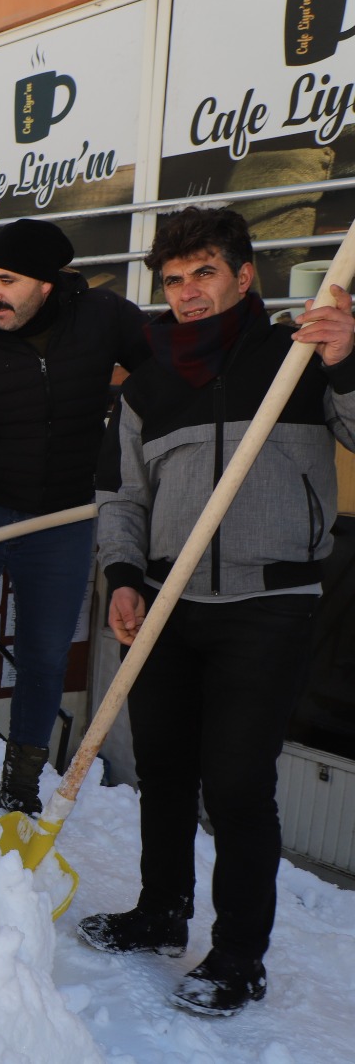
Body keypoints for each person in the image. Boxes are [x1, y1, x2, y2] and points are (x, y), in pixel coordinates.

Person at [80, 207, 355, 1017]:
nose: (189, 292)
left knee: (236, 784)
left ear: (244, 276)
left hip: (269, 601)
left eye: (205, 272)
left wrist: (345, 360)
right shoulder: (149, 382)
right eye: (174, 278)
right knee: (162, 768)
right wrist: (124, 576)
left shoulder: (297, 354)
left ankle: (238, 955)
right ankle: (161, 911)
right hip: (167, 599)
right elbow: (121, 494)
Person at [0, 218, 150, 812]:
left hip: (62, 517)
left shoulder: (102, 317)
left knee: (47, 652)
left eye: (7, 280)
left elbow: (164, 365)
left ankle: (21, 782)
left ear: (48, 284)